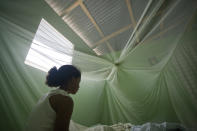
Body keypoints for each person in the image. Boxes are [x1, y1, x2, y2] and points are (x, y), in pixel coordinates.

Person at [25, 65, 81, 131]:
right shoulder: (65, 100)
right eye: (78, 82)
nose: (79, 86)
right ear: (72, 79)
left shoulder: (50, 94)